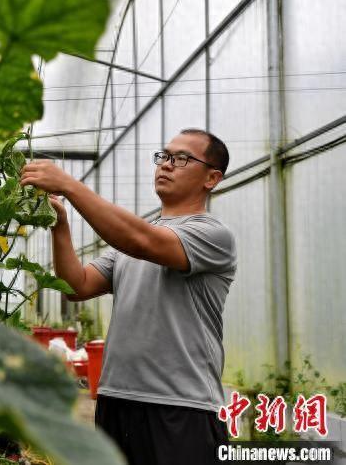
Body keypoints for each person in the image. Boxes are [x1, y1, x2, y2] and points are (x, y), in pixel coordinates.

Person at [20, 128, 237, 465]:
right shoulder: (131, 243)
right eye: (163, 156)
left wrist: (70, 185)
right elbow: (78, 285)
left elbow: (143, 241)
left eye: (181, 159)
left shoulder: (211, 234)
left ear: (211, 178)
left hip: (180, 407)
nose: (166, 165)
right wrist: (59, 224)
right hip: (115, 400)